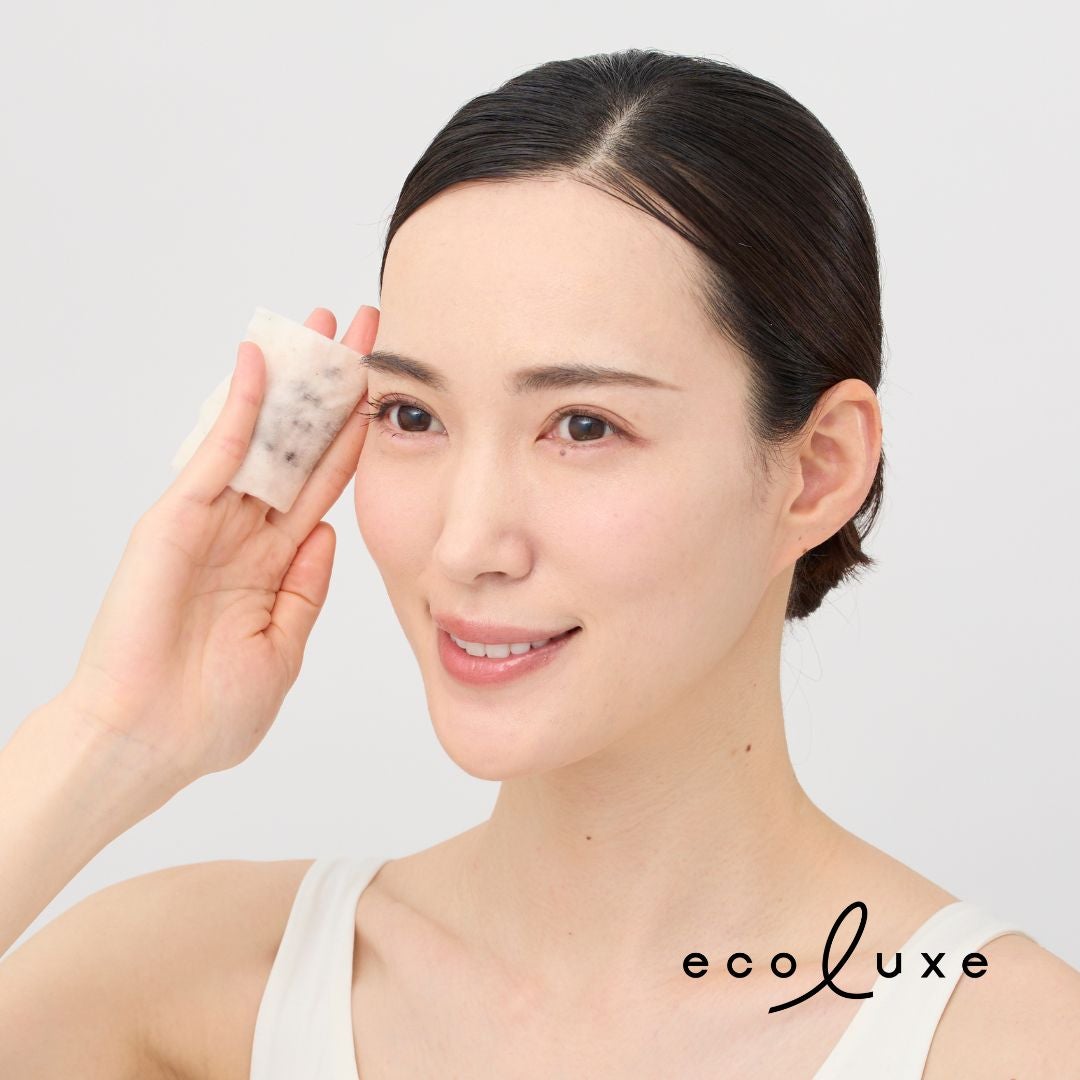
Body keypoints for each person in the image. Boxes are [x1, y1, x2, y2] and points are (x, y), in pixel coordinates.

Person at [1, 47, 1078, 1079]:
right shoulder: (183, 989)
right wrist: (109, 735)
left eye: (584, 426)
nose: (467, 544)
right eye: (412, 414)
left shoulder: (1015, 1048)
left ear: (817, 469)